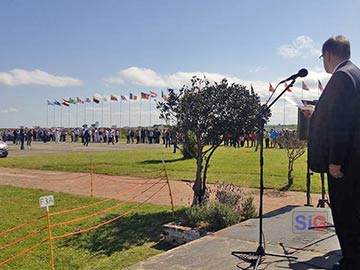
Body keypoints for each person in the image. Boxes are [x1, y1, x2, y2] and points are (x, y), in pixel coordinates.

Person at [307, 35, 360, 270]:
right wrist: (318, 111)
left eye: (322, 58)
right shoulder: (355, 73)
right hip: (356, 158)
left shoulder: (340, 77)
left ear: (328, 55)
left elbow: (341, 122)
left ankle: (351, 262)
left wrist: (335, 161)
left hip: (346, 163)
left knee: (346, 213)